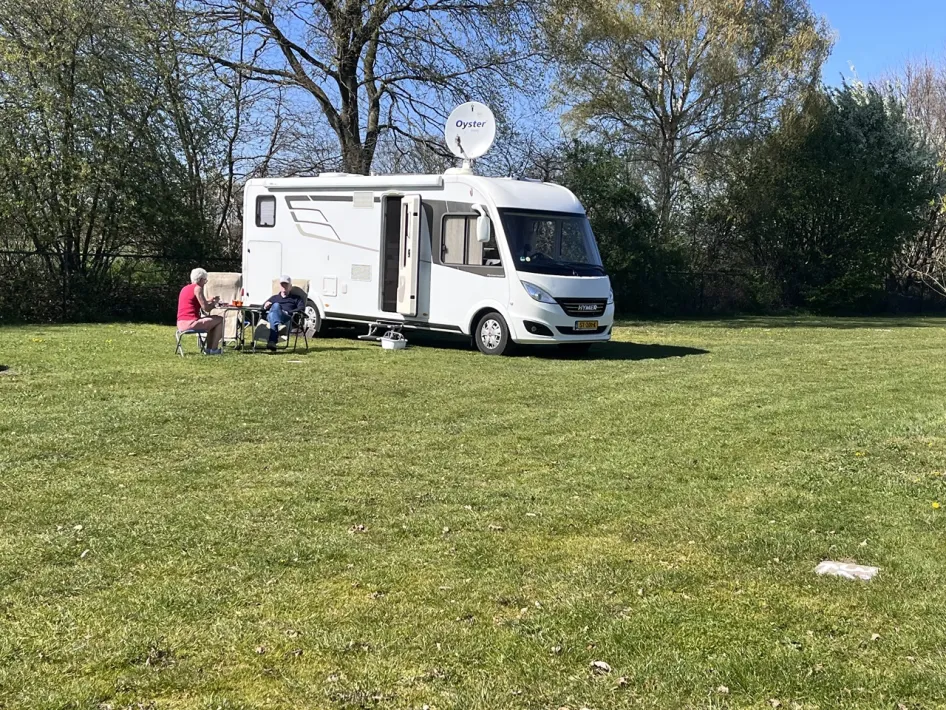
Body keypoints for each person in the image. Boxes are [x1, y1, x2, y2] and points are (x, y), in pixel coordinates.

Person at [177, 267, 224, 354]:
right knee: (220, 320)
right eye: (205, 280)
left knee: (212, 321)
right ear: (201, 279)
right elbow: (206, 308)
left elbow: (196, 301)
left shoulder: (185, 288)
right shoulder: (198, 288)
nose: (205, 283)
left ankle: (209, 349)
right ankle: (213, 349)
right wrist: (215, 304)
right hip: (191, 323)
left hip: (180, 323)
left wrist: (210, 300)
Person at [262, 275, 304, 351]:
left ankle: (272, 340)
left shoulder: (296, 298)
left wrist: (288, 312)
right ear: (280, 286)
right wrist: (265, 306)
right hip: (272, 317)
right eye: (282, 284)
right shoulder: (274, 298)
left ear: (290, 286)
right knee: (275, 307)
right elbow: (262, 308)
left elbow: (301, 308)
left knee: (274, 311)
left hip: (286, 318)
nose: (284, 286)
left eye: (286, 284)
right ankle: (273, 339)